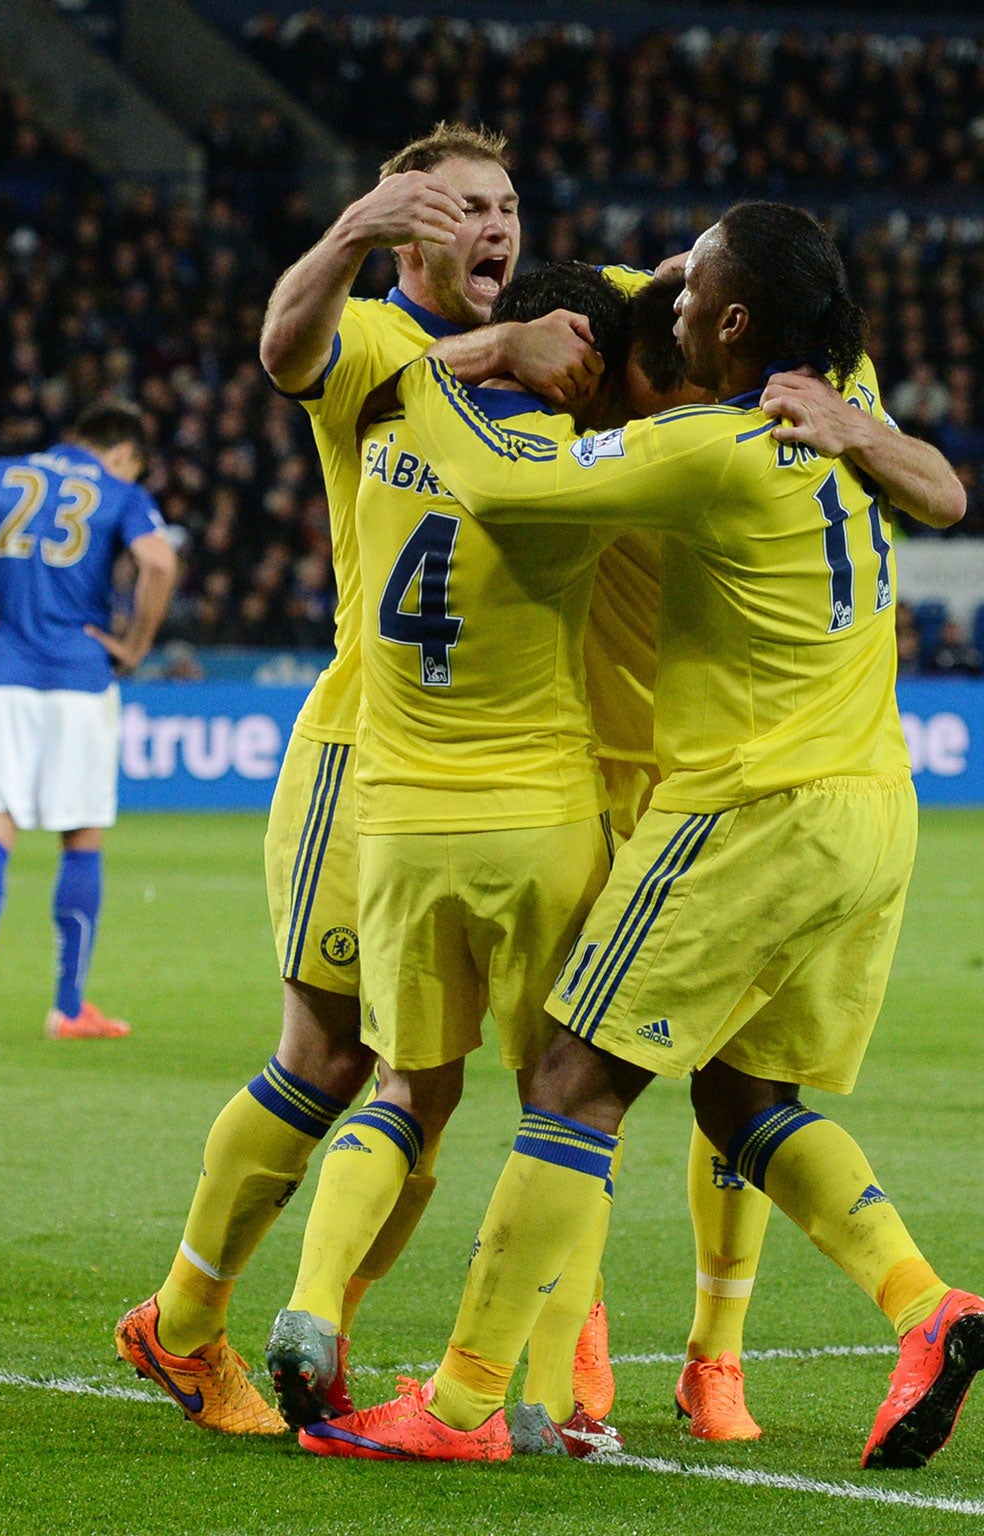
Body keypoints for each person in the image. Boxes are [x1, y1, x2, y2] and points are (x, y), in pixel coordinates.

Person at [300, 202, 980, 1470]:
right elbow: (942, 489)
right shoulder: (841, 392)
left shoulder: (705, 447)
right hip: (872, 810)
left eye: (687, 296)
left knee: (569, 1080)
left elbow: (502, 487)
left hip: (745, 808)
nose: (664, 305)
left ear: (729, 323)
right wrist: (855, 423)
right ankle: (925, 1306)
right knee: (737, 1095)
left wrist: (473, 358)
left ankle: (456, 1408)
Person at [114, 122, 600, 1438]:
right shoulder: (380, 347)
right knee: (327, 1057)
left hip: (502, 774)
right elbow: (282, 349)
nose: (490, 226)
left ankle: (323, 1336)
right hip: (365, 753)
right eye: (456, 209)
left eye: (504, 205)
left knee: (425, 1089)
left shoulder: (557, 369)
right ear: (402, 224)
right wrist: (347, 234)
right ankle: (187, 1322)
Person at [0, 401, 177, 1044]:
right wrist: (137, 646)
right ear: (121, 453)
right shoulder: (119, 490)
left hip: (1, 670)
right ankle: (68, 1008)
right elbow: (160, 562)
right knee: (80, 837)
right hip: (81, 678)